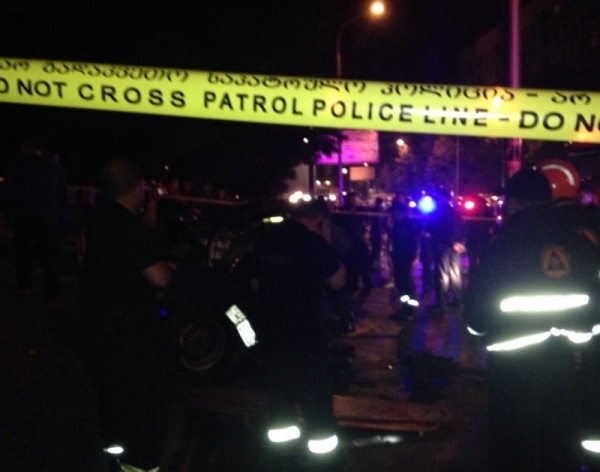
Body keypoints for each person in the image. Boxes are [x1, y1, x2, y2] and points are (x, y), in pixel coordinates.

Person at [465, 167, 600, 472]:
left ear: (514, 203)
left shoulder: (502, 244)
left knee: (514, 444)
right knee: (558, 442)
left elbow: (476, 316)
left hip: (512, 367)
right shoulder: (577, 242)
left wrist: (482, 332)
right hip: (566, 363)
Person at [78, 159, 174, 471]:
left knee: (111, 405)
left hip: (95, 327)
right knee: (142, 409)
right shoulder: (128, 228)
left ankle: (114, 457)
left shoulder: (95, 220)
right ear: (137, 187)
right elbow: (160, 277)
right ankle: (139, 464)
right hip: (129, 334)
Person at [249, 199, 346, 464]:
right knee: (315, 397)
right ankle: (323, 460)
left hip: (271, 331)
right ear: (320, 221)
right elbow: (338, 281)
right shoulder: (312, 242)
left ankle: (281, 459)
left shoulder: (266, 240)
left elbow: (254, 282)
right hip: (305, 333)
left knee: (280, 393)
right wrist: (326, 244)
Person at [3, 136, 68, 308]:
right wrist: (63, 221)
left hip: (23, 215)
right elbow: (62, 198)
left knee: (23, 253)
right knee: (50, 257)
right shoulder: (54, 167)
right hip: (48, 216)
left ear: (26, 146)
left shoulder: (15, 166)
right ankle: (51, 296)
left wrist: (9, 215)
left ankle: (25, 287)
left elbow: (8, 193)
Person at [426, 187, 466, 312]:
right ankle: (458, 300)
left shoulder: (439, 212)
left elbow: (438, 229)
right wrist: (460, 243)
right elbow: (463, 228)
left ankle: (441, 304)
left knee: (442, 275)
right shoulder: (456, 212)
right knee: (456, 274)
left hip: (443, 245)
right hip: (456, 246)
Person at [388, 201, 420, 320]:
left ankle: (410, 311)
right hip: (397, 256)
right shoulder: (396, 224)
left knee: (407, 283)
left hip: (406, 257)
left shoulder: (409, 224)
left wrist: (414, 256)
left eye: (396, 212)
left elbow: (415, 241)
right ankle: (405, 309)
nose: (394, 214)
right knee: (400, 283)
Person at [369, 197, 385, 270]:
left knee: (375, 247)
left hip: (374, 229)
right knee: (377, 247)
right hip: (377, 229)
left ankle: (374, 263)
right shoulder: (380, 209)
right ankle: (375, 264)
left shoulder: (373, 209)